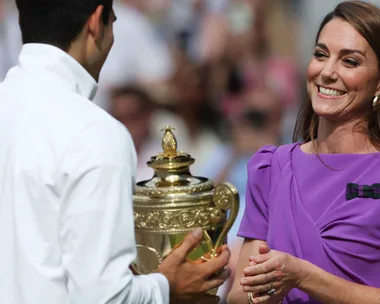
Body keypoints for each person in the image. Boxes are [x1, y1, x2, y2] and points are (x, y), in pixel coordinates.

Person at [0, 1, 230, 303]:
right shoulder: (95, 133)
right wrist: (168, 286)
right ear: (97, 22)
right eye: (113, 23)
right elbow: (106, 297)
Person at [228, 1, 380, 303]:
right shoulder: (271, 167)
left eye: (349, 61)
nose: (327, 72)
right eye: (320, 55)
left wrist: (303, 277)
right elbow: (238, 296)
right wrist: (264, 290)